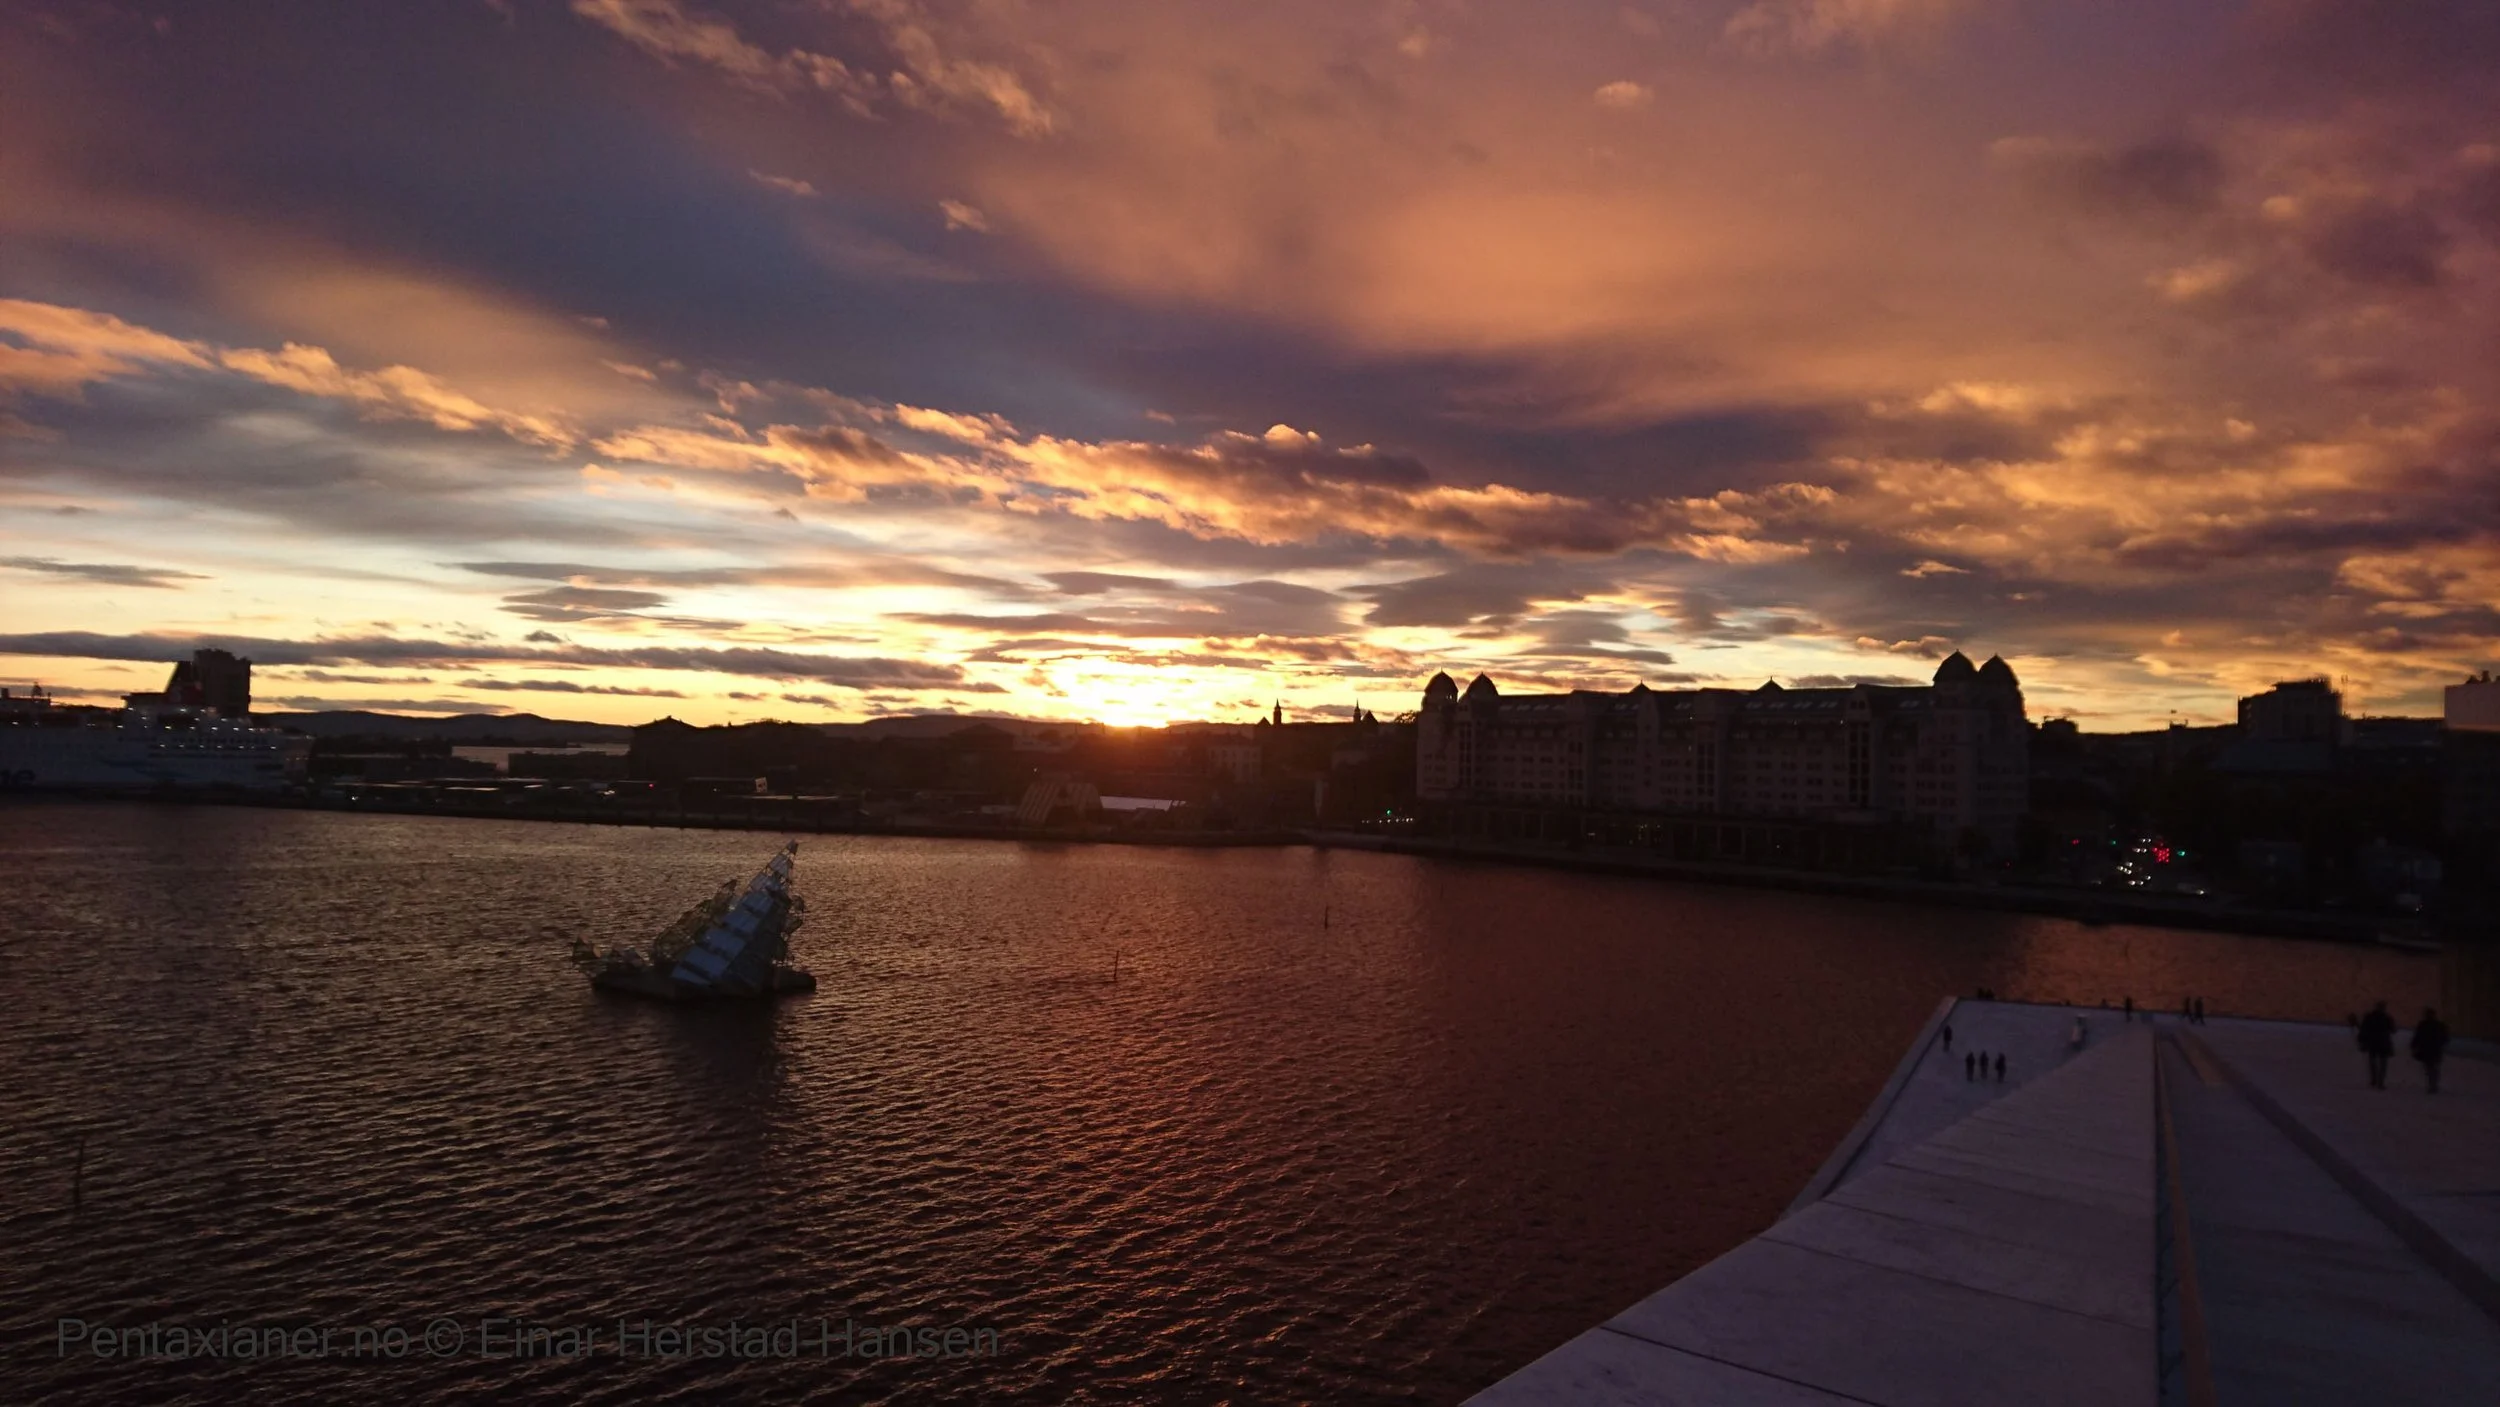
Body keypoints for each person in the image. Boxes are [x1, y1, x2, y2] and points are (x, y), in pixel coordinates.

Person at [2359, 1000, 2397, 1090]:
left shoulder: (2370, 1017)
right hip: (2383, 1043)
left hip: (2373, 1042)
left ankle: (2375, 1079)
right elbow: (2393, 1030)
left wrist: (2362, 1040)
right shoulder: (2387, 1018)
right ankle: (2380, 1082)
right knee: (2382, 1064)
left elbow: (2364, 1029)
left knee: (2373, 1062)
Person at [2411, 1008, 2450, 1094]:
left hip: (2427, 1049)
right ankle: (2433, 1084)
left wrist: (2414, 1046)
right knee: (2433, 1067)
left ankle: (2432, 1084)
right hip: (2435, 1049)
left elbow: (2417, 1036)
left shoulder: (2423, 1024)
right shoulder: (2439, 1025)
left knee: (2429, 1067)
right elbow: (2445, 1037)